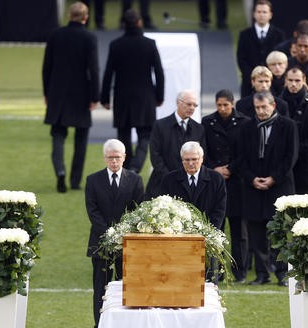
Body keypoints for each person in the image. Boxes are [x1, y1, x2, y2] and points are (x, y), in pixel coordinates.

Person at [238, 91, 298, 287]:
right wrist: (252, 178)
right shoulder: (247, 127)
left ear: (273, 106)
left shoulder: (288, 126)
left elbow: (291, 157)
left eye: (264, 107)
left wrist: (273, 178)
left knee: (280, 232)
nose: (261, 111)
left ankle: (282, 274)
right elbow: (242, 158)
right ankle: (262, 274)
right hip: (253, 187)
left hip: (279, 187)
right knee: (256, 233)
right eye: (257, 108)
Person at [85, 139, 144, 328]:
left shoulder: (135, 180)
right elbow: (92, 211)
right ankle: (99, 324)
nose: (114, 161)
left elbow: (137, 211)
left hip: (126, 243)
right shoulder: (93, 180)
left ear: (124, 157)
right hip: (100, 242)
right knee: (100, 287)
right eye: (110, 158)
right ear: (104, 158)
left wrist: (121, 233)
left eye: (117, 157)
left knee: (124, 286)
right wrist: (109, 233)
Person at [42, 2, 100, 193]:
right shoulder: (89, 37)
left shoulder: (55, 35)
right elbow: (94, 69)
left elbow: (47, 67)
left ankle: (60, 171)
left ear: (69, 16)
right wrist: (95, 96)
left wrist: (46, 92)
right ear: (86, 17)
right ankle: (75, 181)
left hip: (57, 92)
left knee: (58, 135)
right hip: (81, 93)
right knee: (81, 138)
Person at [100, 9, 165, 174]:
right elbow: (159, 72)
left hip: (122, 96)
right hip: (145, 96)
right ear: (139, 22)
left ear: (124, 24)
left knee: (124, 134)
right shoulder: (149, 44)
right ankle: (136, 166)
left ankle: (128, 167)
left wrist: (105, 97)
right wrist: (160, 95)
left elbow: (108, 73)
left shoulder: (116, 45)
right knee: (145, 134)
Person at [201, 90, 250, 283]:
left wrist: (230, 168)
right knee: (216, 227)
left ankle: (240, 272)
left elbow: (246, 151)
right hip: (215, 181)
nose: (222, 109)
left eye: (226, 105)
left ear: (233, 103)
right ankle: (217, 270)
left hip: (237, 181)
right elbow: (204, 148)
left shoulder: (244, 122)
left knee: (239, 231)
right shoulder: (207, 122)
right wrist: (215, 168)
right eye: (219, 105)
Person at [160, 141, 227, 282]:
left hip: (208, 241)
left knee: (208, 286)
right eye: (187, 160)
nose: (191, 163)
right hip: (178, 241)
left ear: (201, 159)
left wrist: (206, 234)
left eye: (194, 159)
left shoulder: (216, 180)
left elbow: (219, 211)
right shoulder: (169, 180)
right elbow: (165, 210)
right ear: (182, 160)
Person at [145, 90, 206, 199]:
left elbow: (201, 157)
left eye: (195, 105)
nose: (192, 108)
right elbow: (155, 155)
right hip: (161, 183)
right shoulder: (160, 125)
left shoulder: (199, 129)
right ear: (178, 102)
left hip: (189, 186)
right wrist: (170, 178)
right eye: (189, 104)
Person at [236, 0, 285, 98]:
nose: (261, 15)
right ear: (254, 14)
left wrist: (270, 77)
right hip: (249, 84)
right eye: (259, 12)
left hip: (273, 84)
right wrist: (252, 77)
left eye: (264, 12)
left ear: (270, 14)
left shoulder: (279, 35)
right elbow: (241, 58)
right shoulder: (245, 34)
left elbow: (282, 58)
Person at [279, 67, 308, 193]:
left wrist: (297, 150)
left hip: (306, 162)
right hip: (283, 161)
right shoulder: (277, 103)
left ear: (304, 80)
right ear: (285, 80)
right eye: (290, 80)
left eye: (297, 80)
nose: (293, 84)